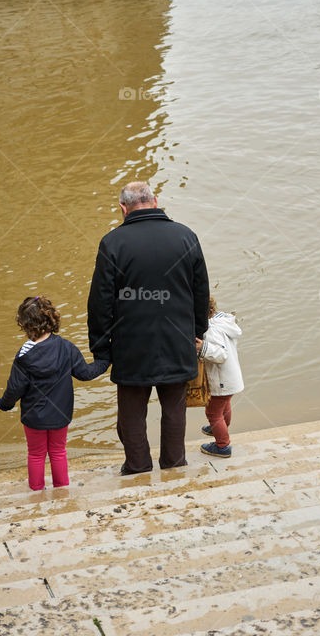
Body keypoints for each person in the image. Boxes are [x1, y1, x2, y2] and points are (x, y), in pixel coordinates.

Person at [87, 181, 209, 475]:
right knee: (174, 410)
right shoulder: (186, 236)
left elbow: (100, 302)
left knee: (131, 414)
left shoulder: (113, 243)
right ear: (155, 201)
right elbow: (200, 291)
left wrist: (101, 348)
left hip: (131, 344)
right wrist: (197, 332)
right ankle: (173, 464)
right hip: (178, 339)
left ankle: (138, 466)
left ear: (123, 208)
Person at [0, 296, 109, 490]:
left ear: (26, 326)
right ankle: (62, 490)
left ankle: (37, 492)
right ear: (51, 319)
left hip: (34, 417)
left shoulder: (24, 355)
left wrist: (4, 404)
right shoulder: (66, 347)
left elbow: (15, 387)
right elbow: (85, 373)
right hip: (61, 413)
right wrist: (104, 360)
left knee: (35, 454)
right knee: (58, 452)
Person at [197, 296, 244, 458]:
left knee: (212, 412)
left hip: (221, 380)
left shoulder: (210, 330)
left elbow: (221, 354)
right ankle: (220, 426)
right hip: (231, 378)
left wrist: (203, 347)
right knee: (224, 406)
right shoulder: (223, 323)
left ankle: (222, 445)